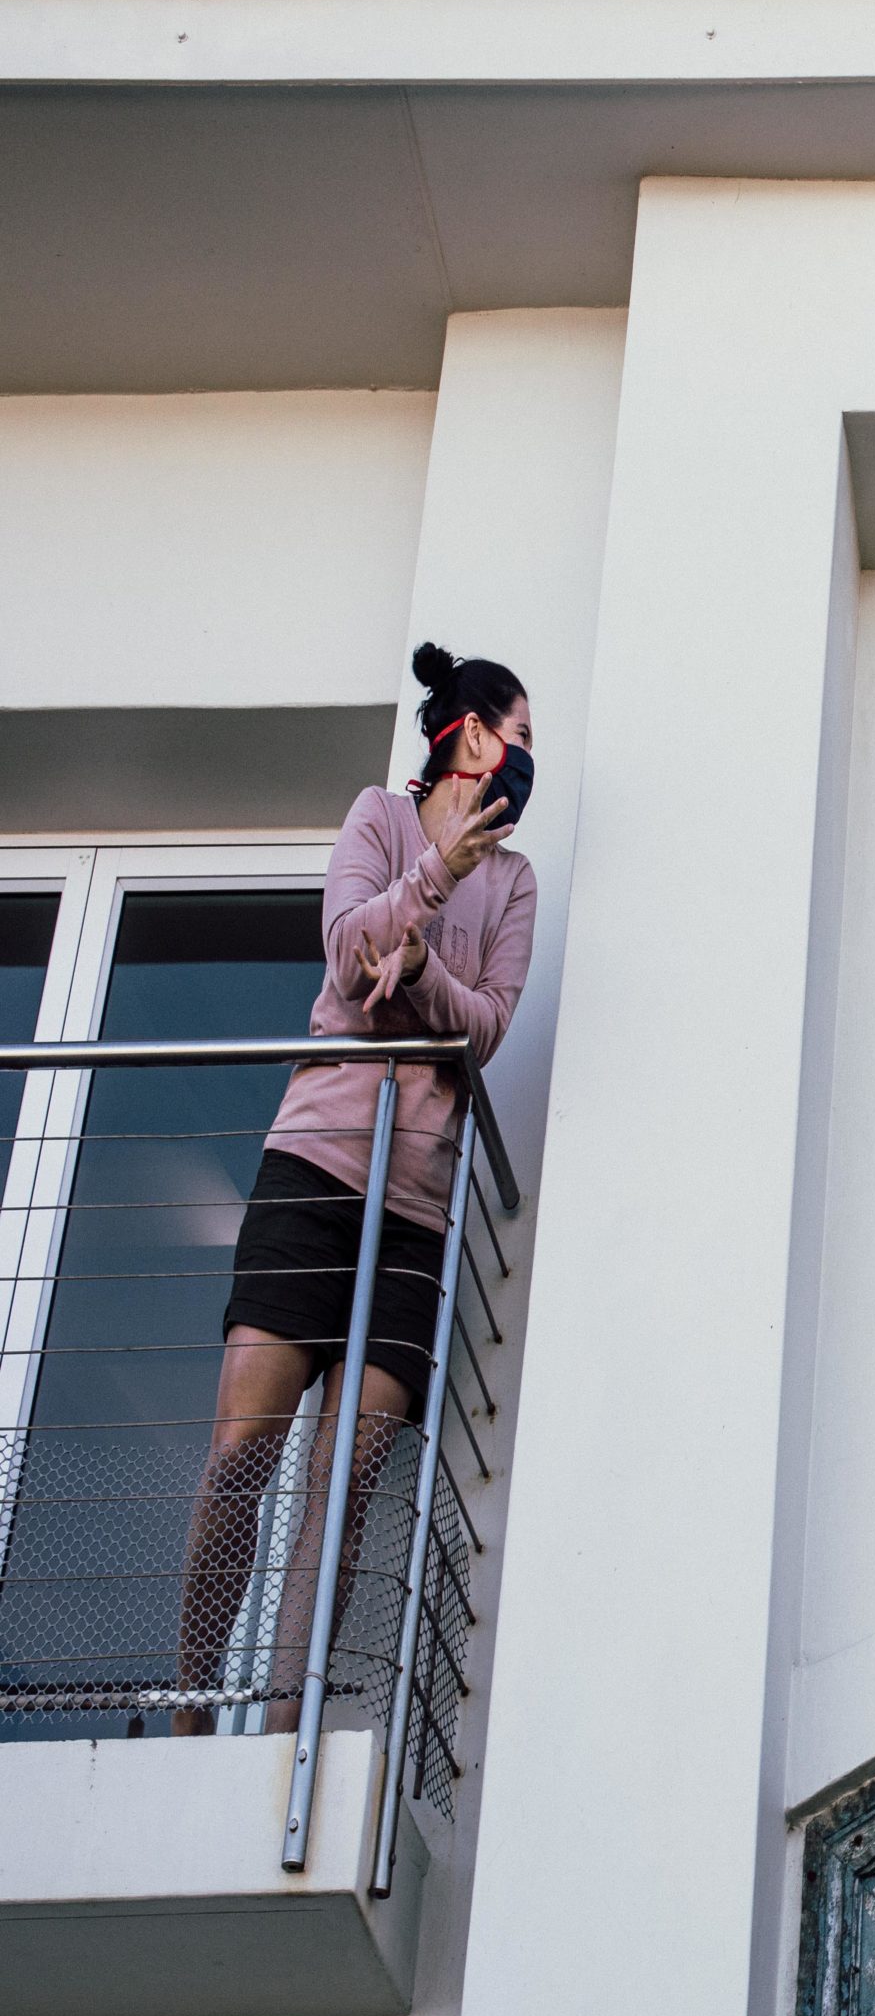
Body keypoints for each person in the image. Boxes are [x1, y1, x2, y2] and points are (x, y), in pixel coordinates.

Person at [172, 643, 538, 1735]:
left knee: (344, 1492)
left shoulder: (517, 884)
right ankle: (194, 1713)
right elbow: (344, 955)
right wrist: (433, 885)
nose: (528, 765)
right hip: (315, 1169)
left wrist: (419, 970)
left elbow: (489, 1025)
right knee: (244, 1449)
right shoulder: (378, 819)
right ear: (472, 734)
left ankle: (278, 1735)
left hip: (417, 1207)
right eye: (521, 739)